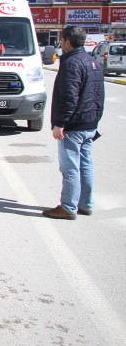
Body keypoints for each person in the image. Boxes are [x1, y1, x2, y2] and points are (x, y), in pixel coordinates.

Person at [43, 26, 105, 220]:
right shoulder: (92, 61)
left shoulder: (71, 63)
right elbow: (98, 95)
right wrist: (95, 119)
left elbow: (69, 97)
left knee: (70, 167)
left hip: (74, 124)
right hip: (89, 122)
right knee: (85, 164)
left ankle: (68, 207)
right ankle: (85, 203)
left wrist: (60, 123)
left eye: (61, 40)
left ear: (68, 41)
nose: (60, 43)